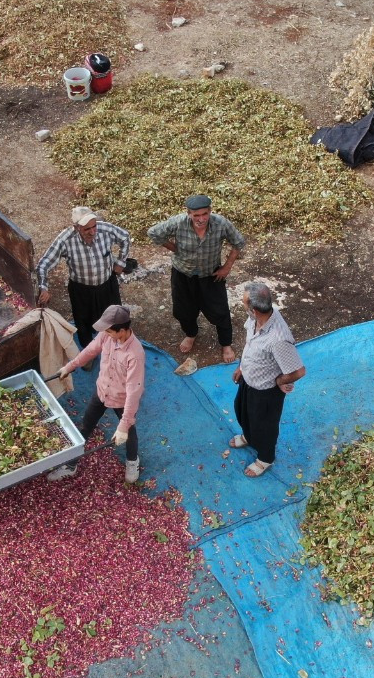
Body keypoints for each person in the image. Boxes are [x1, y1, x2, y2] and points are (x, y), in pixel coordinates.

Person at [47, 305, 146, 483]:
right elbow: (90, 351)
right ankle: (71, 465)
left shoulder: (135, 354)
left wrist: (123, 426)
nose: (105, 334)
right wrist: (69, 367)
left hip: (122, 400)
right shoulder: (107, 336)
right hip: (102, 391)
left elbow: (133, 391)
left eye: (109, 331)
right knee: (85, 427)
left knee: (129, 433)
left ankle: (132, 461)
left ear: (122, 331)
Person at [147, 195, 246, 363]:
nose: (201, 219)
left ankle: (226, 343)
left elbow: (239, 242)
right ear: (189, 213)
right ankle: (191, 334)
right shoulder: (179, 222)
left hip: (211, 276)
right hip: (183, 275)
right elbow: (154, 233)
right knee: (183, 310)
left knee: (220, 311)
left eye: (204, 214)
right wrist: (175, 248)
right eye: (196, 215)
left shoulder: (220, 223)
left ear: (210, 211)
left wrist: (227, 267)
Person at [229, 282, 305, 478]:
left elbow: (298, 370)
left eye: (244, 303)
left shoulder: (279, 339)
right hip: (248, 380)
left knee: (264, 426)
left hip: (266, 392)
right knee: (241, 410)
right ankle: (248, 436)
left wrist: (280, 381)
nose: (242, 305)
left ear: (254, 310)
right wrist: (241, 367)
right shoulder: (255, 320)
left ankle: (265, 458)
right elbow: (249, 344)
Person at [36, 206, 132, 352]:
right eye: (87, 229)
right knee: (84, 323)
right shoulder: (65, 240)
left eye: (94, 226)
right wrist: (44, 288)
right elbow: (43, 264)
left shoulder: (105, 230)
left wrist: (120, 263)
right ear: (76, 227)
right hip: (81, 290)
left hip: (107, 285)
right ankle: (89, 353)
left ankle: (117, 348)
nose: (92, 232)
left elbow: (125, 237)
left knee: (114, 318)